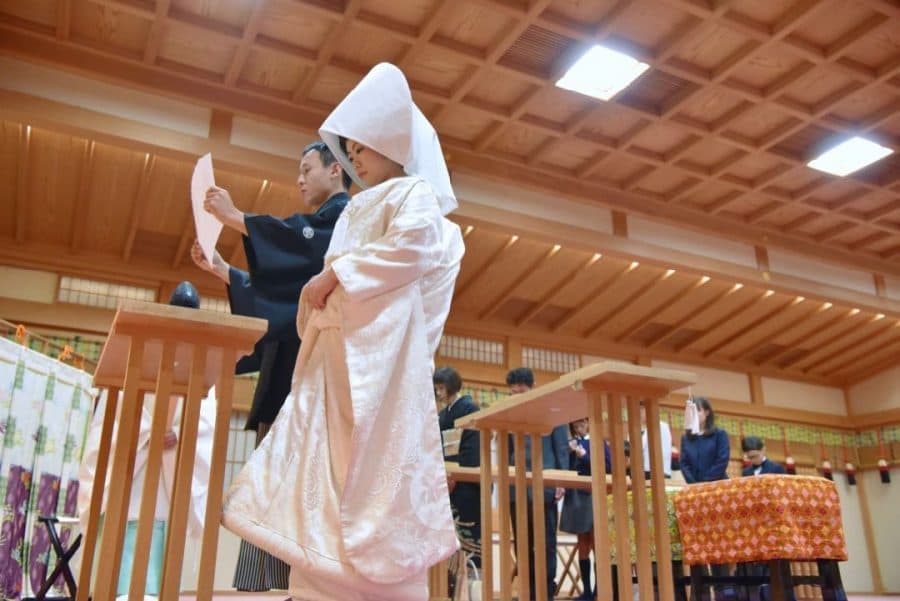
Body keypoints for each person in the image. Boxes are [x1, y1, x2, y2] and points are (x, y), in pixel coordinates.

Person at [221, 62, 465, 601]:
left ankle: (380, 586)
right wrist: (319, 300)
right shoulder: (359, 206)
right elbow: (325, 276)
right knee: (322, 480)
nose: (355, 158)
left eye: (363, 147)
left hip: (382, 365)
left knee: (378, 478)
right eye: (349, 149)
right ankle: (314, 585)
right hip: (334, 357)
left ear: (394, 142)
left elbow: (411, 249)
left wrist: (339, 275)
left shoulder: (414, 195)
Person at [191, 141, 350, 591]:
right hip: (289, 372)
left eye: (307, 168)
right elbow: (287, 290)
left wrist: (237, 218)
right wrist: (224, 270)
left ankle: (295, 588)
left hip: (318, 377)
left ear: (335, 169)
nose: (299, 178)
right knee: (271, 489)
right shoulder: (322, 226)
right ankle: (273, 588)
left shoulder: (345, 219)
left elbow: (304, 250)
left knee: (294, 493)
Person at [78, 390, 215, 599]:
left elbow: (206, 417)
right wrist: (143, 431)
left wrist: (179, 433)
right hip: (128, 467)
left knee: (161, 570)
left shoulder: (200, 370)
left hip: (170, 472)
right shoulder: (125, 367)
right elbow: (112, 410)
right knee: (114, 571)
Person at [506, 367, 569, 601]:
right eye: (513, 393)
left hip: (545, 484)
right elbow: (508, 450)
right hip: (517, 486)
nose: (517, 397)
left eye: (522, 392)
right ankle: (528, 590)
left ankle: (546, 591)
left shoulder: (551, 409)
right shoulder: (510, 411)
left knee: (545, 542)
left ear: (533, 387)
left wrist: (561, 479)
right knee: (521, 542)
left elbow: (561, 447)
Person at [434, 366, 482, 569]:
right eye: (436, 388)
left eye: (441, 388)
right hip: (447, 481)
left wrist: (455, 476)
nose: (438, 392)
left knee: (469, 532)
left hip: (466, 482)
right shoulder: (443, 414)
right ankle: (453, 579)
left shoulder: (470, 408)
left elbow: (472, 450)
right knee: (450, 536)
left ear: (452, 386)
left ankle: (474, 577)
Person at [560, 418, 611, 600]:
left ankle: (599, 589)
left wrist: (584, 455)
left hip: (593, 495)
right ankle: (587, 590)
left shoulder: (599, 442)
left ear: (589, 423)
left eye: (582, 423)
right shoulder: (571, 444)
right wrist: (570, 452)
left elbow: (608, 468)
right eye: (575, 424)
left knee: (597, 542)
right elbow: (566, 468)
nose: (578, 427)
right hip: (577, 496)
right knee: (582, 543)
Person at [679, 397, 730, 484]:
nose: (694, 415)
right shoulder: (686, 438)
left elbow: (722, 460)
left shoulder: (719, 434)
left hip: (717, 483)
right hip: (694, 486)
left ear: (707, 412)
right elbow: (684, 464)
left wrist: (706, 481)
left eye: (697, 411)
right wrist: (693, 482)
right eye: (691, 412)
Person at [640, 405, 673, 478]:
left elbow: (640, 447)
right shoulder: (663, 426)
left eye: (642, 410)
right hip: (658, 470)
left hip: (655, 471)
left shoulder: (658, 426)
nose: (640, 414)